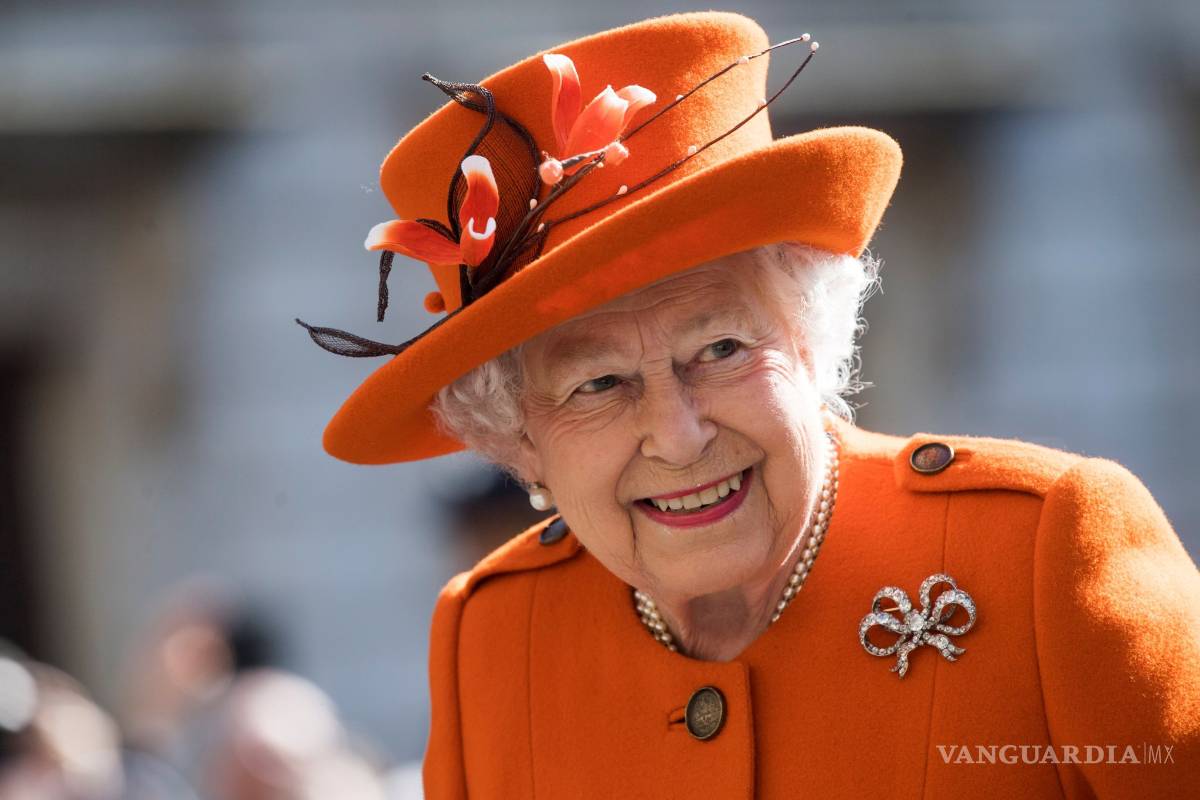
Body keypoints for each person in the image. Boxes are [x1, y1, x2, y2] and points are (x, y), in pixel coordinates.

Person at [297, 11, 1200, 798]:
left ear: (809, 340)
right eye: (598, 385)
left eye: (720, 349)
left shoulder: (1041, 555)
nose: (679, 436)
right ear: (519, 441)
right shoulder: (490, 634)